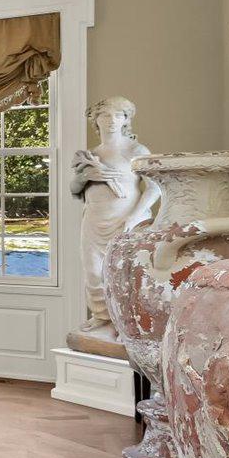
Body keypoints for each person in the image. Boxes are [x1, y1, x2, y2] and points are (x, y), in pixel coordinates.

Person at [71, 96, 159, 330]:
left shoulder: (136, 150)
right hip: (93, 220)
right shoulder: (91, 154)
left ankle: (127, 324)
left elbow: (154, 187)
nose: (112, 121)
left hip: (125, 220)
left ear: (125, 121)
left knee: (126, 274)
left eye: (118, 116)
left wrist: (134, 216)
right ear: (95, 120)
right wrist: (84, 177)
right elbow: (75, 190)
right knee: (93, 272)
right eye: (105, 115)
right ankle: (102, 316)